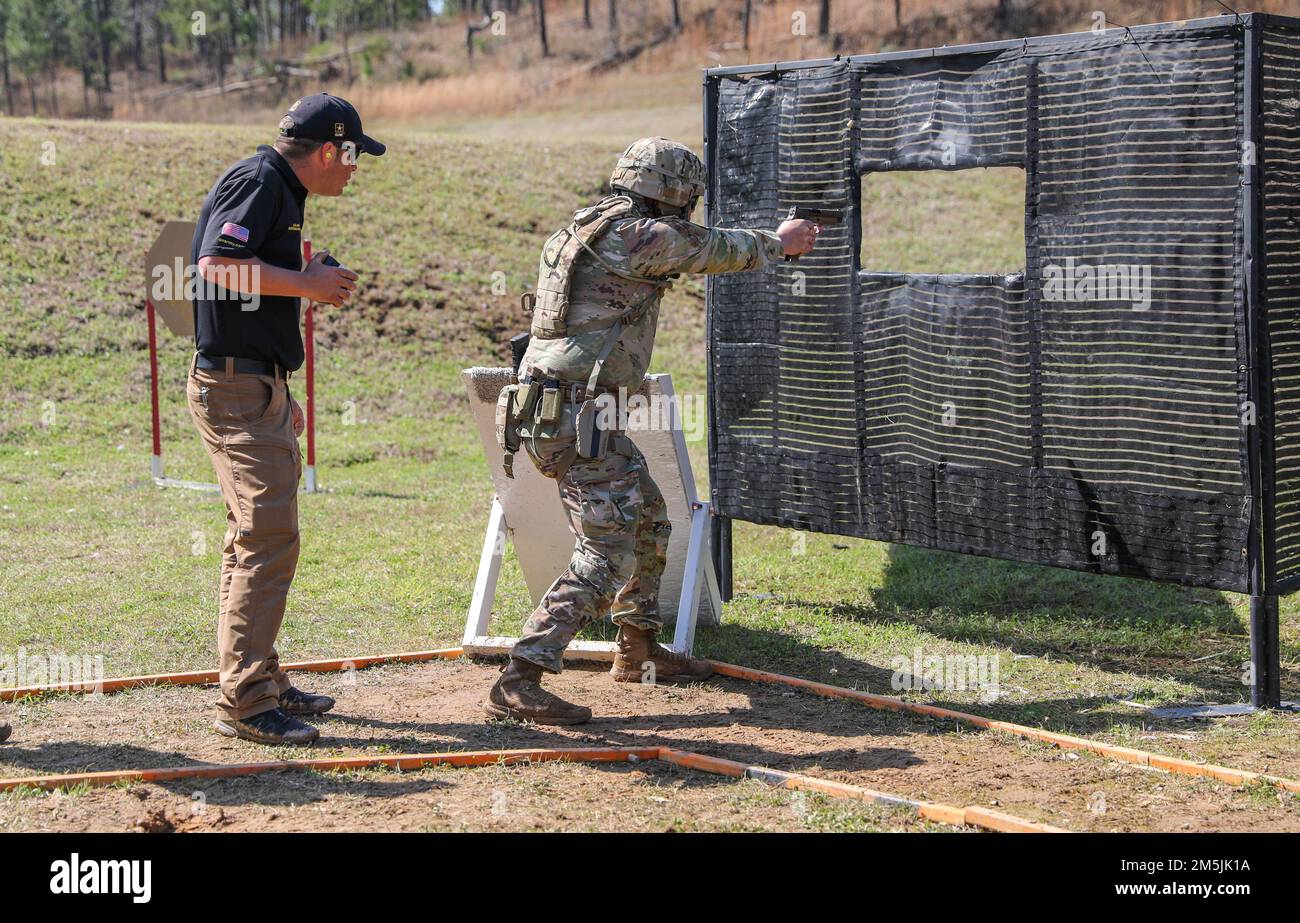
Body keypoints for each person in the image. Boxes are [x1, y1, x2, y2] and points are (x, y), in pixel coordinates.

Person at [485, 137, 819, 725]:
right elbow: (710, 248)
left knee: (651, 518)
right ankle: (522, 675)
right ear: (673, 192)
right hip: (576, 415)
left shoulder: (585, 227)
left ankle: (638, 647)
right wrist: (780, 243)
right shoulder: (634, 234)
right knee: (607, 549)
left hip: (570, 410)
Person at [187, 93, 384, 745]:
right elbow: (214, 269)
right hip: (235, 387)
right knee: (266, 538)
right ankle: (245, 700)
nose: (354, 169)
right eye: (352, 155)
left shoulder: (277, 188)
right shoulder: (260, 180)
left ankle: (260, 679)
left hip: (252, 382)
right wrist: (307, 285)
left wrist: (275, 379)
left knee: (257, 537)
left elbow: (246, 284)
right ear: (328, 150)